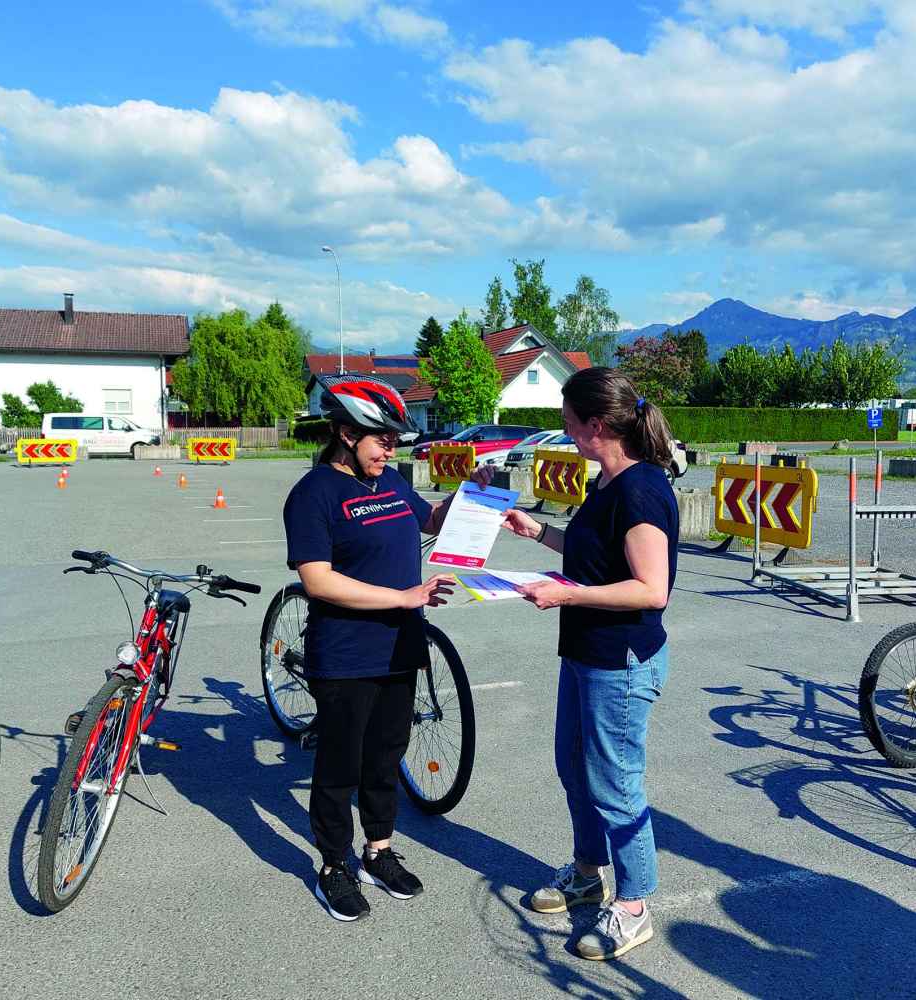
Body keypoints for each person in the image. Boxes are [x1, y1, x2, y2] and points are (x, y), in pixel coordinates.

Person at [283, 374, 492, 922]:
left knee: (385, 756)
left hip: (401, 646)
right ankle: (333, 863)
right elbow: (319, 581)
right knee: (339, 767)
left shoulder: (394, 481)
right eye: (383, 439)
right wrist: (403, 596)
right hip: (347, 653)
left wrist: (471, 494)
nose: (392, 449)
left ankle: (378, 850)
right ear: (346, 433)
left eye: (396, 440)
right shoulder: (314, 495)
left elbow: (431, 520)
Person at [502, 366, 679, 961]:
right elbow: (591, 552)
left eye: (569, 421)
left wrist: (567, 594)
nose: (564, 430)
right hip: (583, 654)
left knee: (615, 783)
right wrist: (538, 533)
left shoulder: (641, 489)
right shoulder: (606, 482)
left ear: (596, 425)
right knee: (575, 768)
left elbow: (652, 589)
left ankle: (633, 905)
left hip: (621, 663)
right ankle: (587, 872)